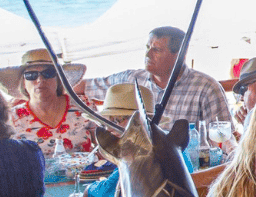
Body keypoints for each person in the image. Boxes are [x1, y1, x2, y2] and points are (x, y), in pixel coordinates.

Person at [77, 26, 232, 128]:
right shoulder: (131, 80)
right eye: (147, 47)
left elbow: (223, 136)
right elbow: (84, 86)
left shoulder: (206, 88)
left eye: (156, 50)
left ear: (180, 56)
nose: (147, 54)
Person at [0, 48, 94, 153]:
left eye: (48, 73)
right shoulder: (11, 119)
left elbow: (102, 144)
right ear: (23, 82)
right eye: (31, 75)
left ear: (59, 78)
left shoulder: (83, 105)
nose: (40, 80)